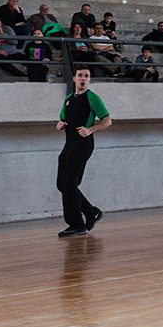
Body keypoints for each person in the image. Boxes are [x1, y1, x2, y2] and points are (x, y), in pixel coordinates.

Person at [55, 68, 112, 237]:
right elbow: (63, 119)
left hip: (83, 145)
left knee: (70, 184)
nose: (83, 78)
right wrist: (60, 124)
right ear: (74, 78)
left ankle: (77, 224)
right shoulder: (69, 99)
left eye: (86, 76)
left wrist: (90, 129)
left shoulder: (92, 97)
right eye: (80, 75)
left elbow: (108, 121)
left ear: (89, 80)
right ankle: (91, 211)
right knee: (61, 184)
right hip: (69, 144)